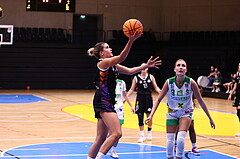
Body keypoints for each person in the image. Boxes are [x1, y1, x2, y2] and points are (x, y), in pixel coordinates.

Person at [86, 30, 162, 159]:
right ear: (102, 53)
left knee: (100, 138)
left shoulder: (113, 65)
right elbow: (122, 57)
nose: (110, 49)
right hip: (103, 101)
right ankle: (99, 157)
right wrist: (131, 40)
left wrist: (145, 66)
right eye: (107, 48)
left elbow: (130, 71)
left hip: (103, 101)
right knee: (116, 133)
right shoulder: (103, 63)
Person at [145, 59, 215, 159]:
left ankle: (185, 153)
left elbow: (201, 100)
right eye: (178, 65)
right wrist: (151, 115)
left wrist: (210, 118)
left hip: (185, 113)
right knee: (170, 142)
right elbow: (158, 99)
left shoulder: (191, 82)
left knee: (181, 140)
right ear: (175, 69)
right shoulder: (169, 82)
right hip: (172, 113)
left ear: (186, 70)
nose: (181, 67)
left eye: (183, 66)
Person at [127, 65, 161, 143]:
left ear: (147, 69)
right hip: (140, 98)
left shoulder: (151, 77)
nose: (143, 69)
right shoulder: (136, 78)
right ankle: (141, 135)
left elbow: (156, 87)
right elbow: (132, 89)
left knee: (149, 115)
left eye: (145, 67)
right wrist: (125, 98)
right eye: (142, 67)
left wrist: (161, 92)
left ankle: (149, 132)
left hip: (148, 98)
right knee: (140, 116)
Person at [110, 79, 135, 158]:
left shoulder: (122, 82)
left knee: (118, 133)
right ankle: (102, 149)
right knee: (108, 132)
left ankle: (113, 150)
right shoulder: (107, 80)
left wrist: (131, 105)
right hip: (109, 108)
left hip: (119, 109)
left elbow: (125, 94)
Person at [228, 62, 240, 137]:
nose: (239, 66)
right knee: (238, 113)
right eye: (239, 65)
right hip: (238, 95)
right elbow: (235, 85)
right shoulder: (237, 74)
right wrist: (230, 94)